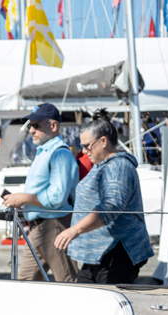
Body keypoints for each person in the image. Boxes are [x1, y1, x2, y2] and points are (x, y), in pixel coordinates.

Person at [54, 109, 154, 284]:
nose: (84, 152)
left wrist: (75, 229)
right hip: (99, 254)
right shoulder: (102, 165)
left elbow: (111, 206)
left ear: (103, 141)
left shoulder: (118, 166)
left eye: (87, 146)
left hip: (117, 252)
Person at [2, 103, 79, 282]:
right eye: (30, 125)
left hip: (54, 225)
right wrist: (24, 202)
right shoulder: (46, 151)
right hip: (39, 227)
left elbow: (57, 196)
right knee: (24, 285)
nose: (31, 130)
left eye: (36, 125)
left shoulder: (60, 153)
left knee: (68, 284)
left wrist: (23, 198)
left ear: (53, 125)